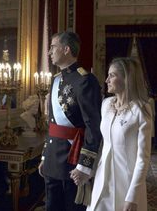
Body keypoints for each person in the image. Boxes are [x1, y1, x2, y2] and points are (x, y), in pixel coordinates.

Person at [38, 31, 102, 211]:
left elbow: (93, 127)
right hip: (52, 160)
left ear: (66, 49)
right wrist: (45, 155)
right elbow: (52, 124)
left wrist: (84, 166)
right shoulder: (56, 80)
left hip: (73, 161)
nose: (49, 52)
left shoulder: (85, 81)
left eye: (52, 47)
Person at [86, 57, 153, 211]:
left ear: (127, 79)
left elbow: (143, 158)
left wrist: (133, 196)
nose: (106, 80)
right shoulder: (106, 104)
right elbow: (102, 143)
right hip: (102, 177)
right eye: (108, 75)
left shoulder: (141, 110)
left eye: (112, 75)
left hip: (127, 183)